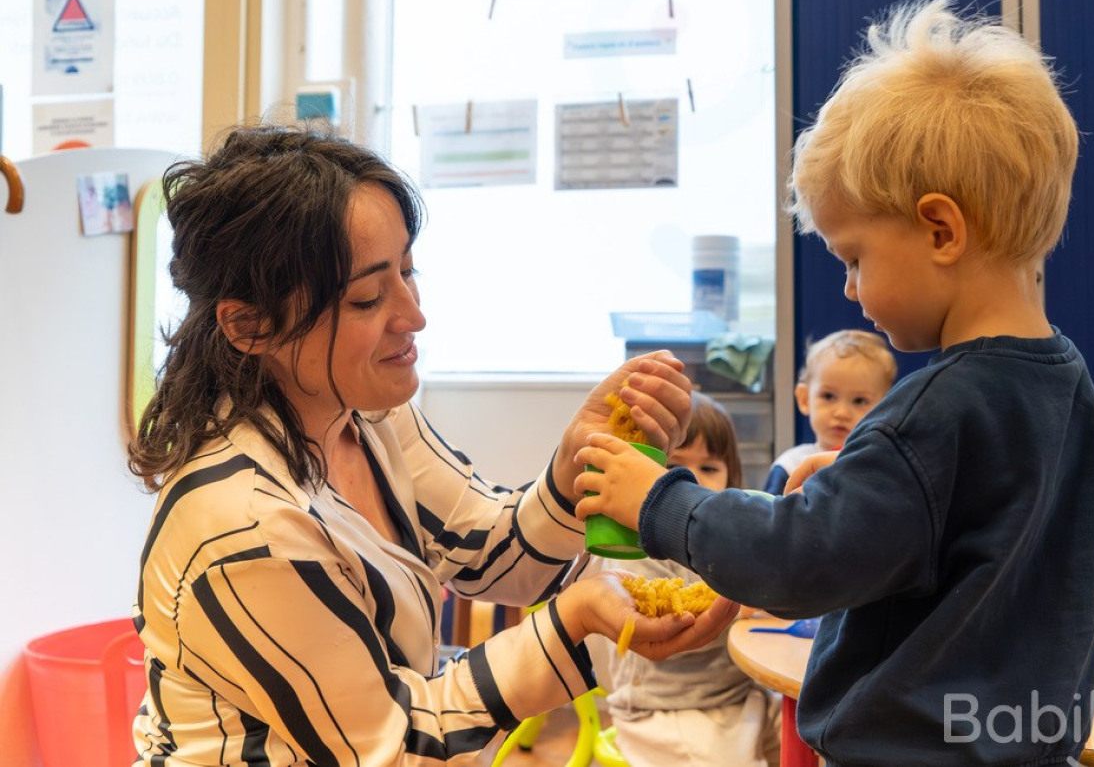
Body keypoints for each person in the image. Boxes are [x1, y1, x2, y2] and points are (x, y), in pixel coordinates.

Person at [573, 0, 1094, 765]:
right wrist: (864, 482)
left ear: (941, 230)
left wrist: (657, 500)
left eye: (855, 258)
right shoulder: (1064, 379)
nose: (851, 289)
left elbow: (797, 561)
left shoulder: (934, 410)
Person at [126, 125, 737, 767]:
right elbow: (398, 747)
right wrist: (574, 622)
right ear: (250, 325)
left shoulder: (369, 415)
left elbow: (490, 550)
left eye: (408, 271)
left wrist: (573, 464)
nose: (414, 315)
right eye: (367, 298)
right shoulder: (245, 528)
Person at [586, 393, 781, 767]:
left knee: (813, 735)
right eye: (675, 469)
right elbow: (659, 624)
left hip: (739, 695)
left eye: (709, 468)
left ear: (731, 480)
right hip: (666, 709)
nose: (692, 484)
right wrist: (743, 601)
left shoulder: (729, 541)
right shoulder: (636, 546)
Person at [763, 329, 895, 494]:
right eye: (828, 396)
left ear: (883, 407)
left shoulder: (883, 469)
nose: (841, 413)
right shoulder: (790, 466)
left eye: (859, 401)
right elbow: (769, 509)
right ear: (804, 399)